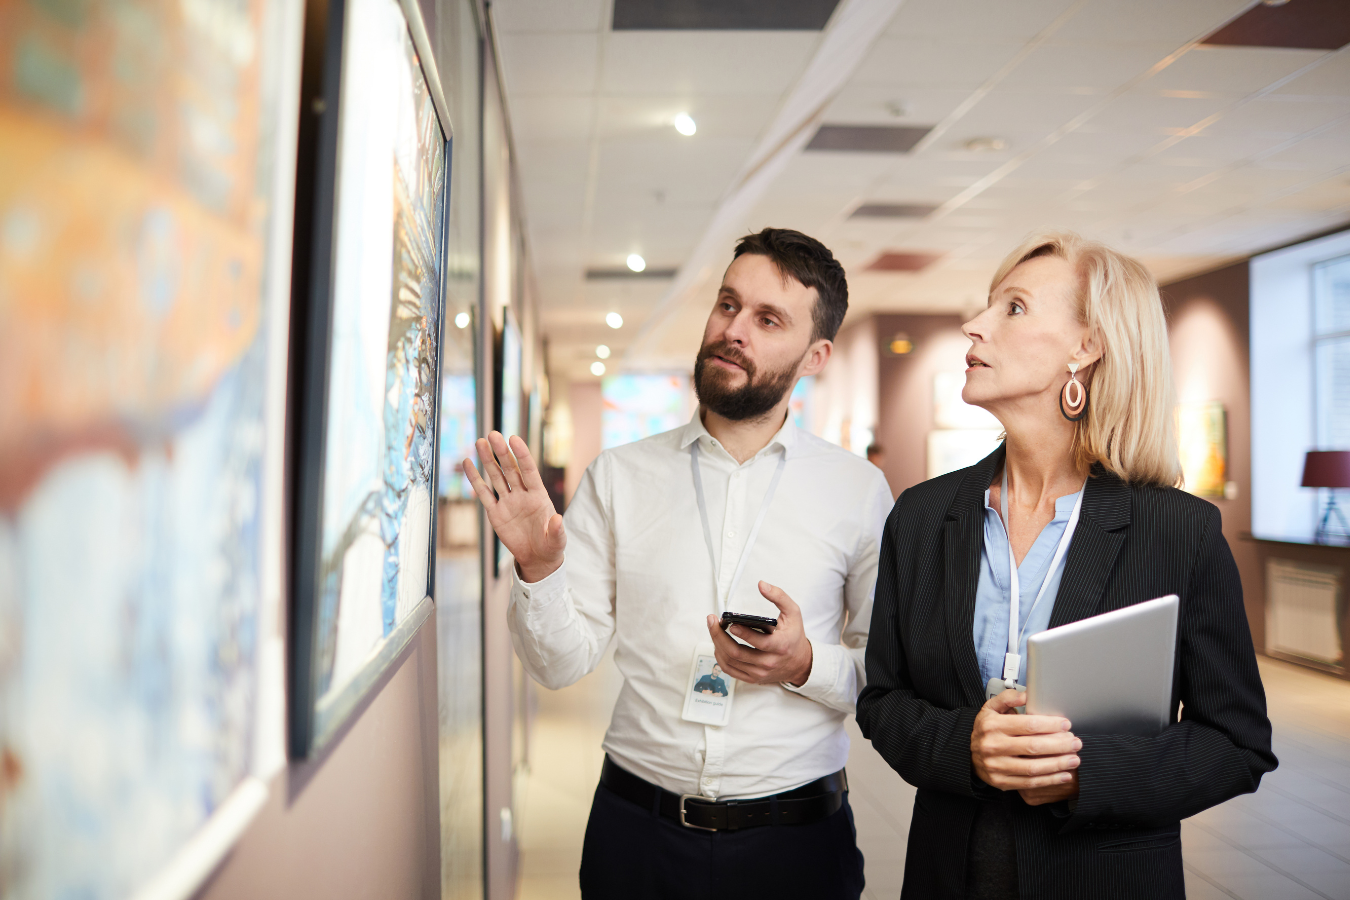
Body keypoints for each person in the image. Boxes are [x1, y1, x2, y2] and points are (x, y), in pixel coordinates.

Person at [465, 228, 892, 899]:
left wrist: (804, 664)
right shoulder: (619, 476)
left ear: (815, 355)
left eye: (768, 319)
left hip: (797, 844)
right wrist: (539, 570)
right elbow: (559, 665)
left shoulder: (857, 491)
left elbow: (886, 677)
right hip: (638, 835)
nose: (733, 330)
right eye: (728, 304)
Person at [856, 231, 1276, 899]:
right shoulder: (923, 516)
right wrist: (965, 745)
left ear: (1087, 346)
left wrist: (1087, 771)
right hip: (951, 873)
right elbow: (883, 701)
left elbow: (1236, 744)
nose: (975, 325)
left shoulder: (1178, 531)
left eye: (1014, 307)